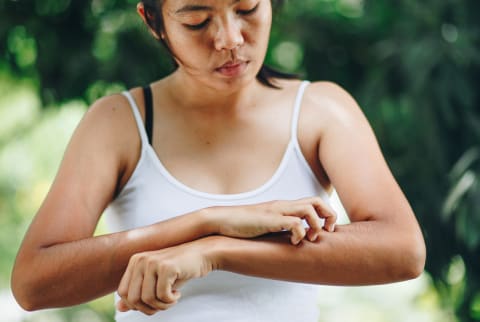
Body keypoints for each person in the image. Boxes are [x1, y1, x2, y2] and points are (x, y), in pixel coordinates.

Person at [11, 0, 426, 321]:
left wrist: (216, 251)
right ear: (153, 22)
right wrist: (205, 222)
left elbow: (402, 250)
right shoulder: (118, 123)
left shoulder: (321, 111)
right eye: (196, 21)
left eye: (246, 9)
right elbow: (33, 283)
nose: (229, 38)